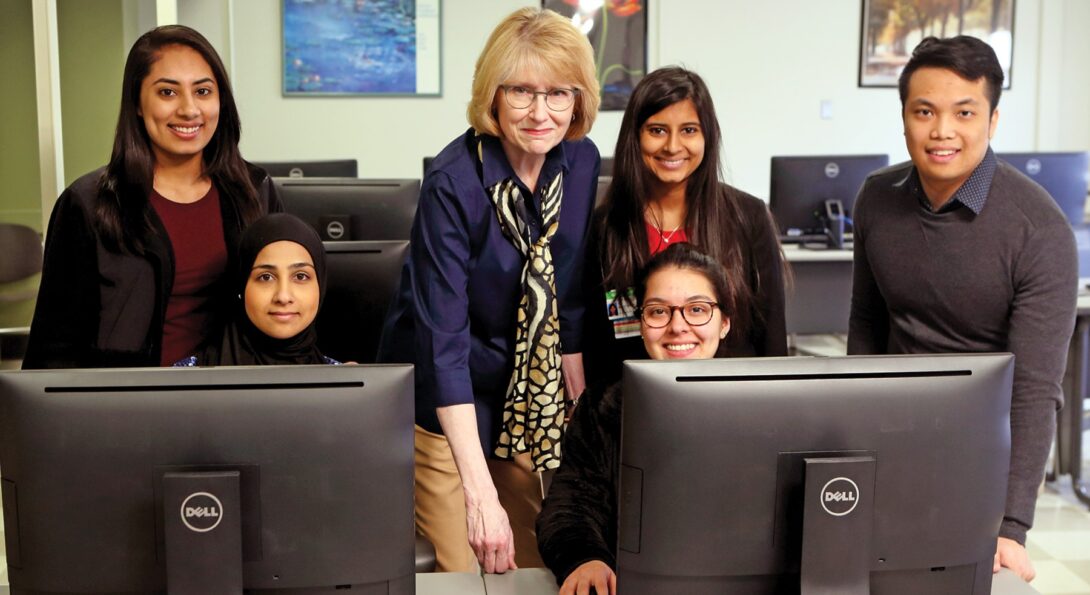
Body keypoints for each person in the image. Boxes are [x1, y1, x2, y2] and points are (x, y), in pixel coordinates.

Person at [376, 7, 600, 573]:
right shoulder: (453, 183)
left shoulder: (580, 161)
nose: (541, 112)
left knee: (531, 565)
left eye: (559, 94)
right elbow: (442, 343)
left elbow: (567, 288)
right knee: (470, 571)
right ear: (493, 95)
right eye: (522, 91)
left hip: (522, 399)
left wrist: (573, 398)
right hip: (446, 405)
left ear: (579, 100)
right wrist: (480, 495)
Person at [848, 36, 1077, 582]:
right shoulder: (876, 198)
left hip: (979, 462)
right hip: (890, 441)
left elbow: (1036, 388)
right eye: (924, 111)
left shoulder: (1038, 230)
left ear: (993, 121)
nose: (942, 131)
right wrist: (853, 441)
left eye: (964, 113)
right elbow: (866, 324)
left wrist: (1013, 523)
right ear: (904, 115)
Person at [23, 25, 280, 370]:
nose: (190, 110)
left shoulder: (255, 191)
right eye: (168, 93)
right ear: (138, 104)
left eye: (203, 91)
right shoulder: (88, 204)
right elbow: (54, 347)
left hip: (238, 402)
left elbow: (289, 310)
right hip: (130, 407)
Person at [537, 243, 733, 594]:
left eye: (697, 310)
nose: (677, 326)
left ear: (724, 324)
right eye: (658, 312)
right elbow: (570, 506)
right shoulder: (603, 405)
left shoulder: (764, 408)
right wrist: (585, 559)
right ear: (640, 324)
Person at [584, 66, 786, 390]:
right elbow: (595, 344)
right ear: (635, 137)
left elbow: (772, 338)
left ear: (708, 136)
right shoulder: (604, 227)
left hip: (732, 403)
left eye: (689, 130)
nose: (673, 146)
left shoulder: (748, 217)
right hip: (632, 408)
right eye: (658, 130)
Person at [175, 213, 337, 366]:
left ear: (320, 286)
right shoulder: (182, 383)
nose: (283, 296)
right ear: (242, 286)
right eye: (266, 277)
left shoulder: (348, 384)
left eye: (300, 276)